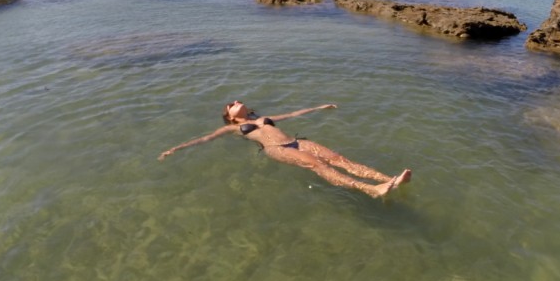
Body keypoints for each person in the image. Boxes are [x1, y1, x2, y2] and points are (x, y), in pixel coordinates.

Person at [159, 100, 411, 198]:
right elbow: (204, 139)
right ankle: (371, 190)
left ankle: (389, 179)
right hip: (276, 148)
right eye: (232, 104)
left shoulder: (262, 117)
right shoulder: (232, 129)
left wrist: (319, 107)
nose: (237, 102)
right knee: (318, 165)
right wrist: (175, 149)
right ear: (230, 116)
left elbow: (292, 113)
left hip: (295, 140)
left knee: (338, 158)